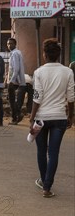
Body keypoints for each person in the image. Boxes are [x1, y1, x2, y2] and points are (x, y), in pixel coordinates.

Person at [29, 38, 74, 198]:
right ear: (59, 55)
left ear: (44, 54)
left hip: (41, 118)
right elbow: (71, 98)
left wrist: (32, 118)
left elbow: (37, 98)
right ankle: (47, 187)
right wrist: (71, 116)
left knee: (42, 151)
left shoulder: (39, 72)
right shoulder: (67, 72)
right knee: (53, 152)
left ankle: (43, 179)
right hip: (60, 117)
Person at [6, 37, 26, 125]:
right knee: (14, 100)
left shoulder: (14, 53)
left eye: (11, 43)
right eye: (8, 44)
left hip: (15, 80)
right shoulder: (17, 53)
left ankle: (16, 116)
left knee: (11, 99)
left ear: (15, 44)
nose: (9, 45)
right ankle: (17, 115)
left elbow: (16, 68)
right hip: (18, 80)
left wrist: (11, 81)